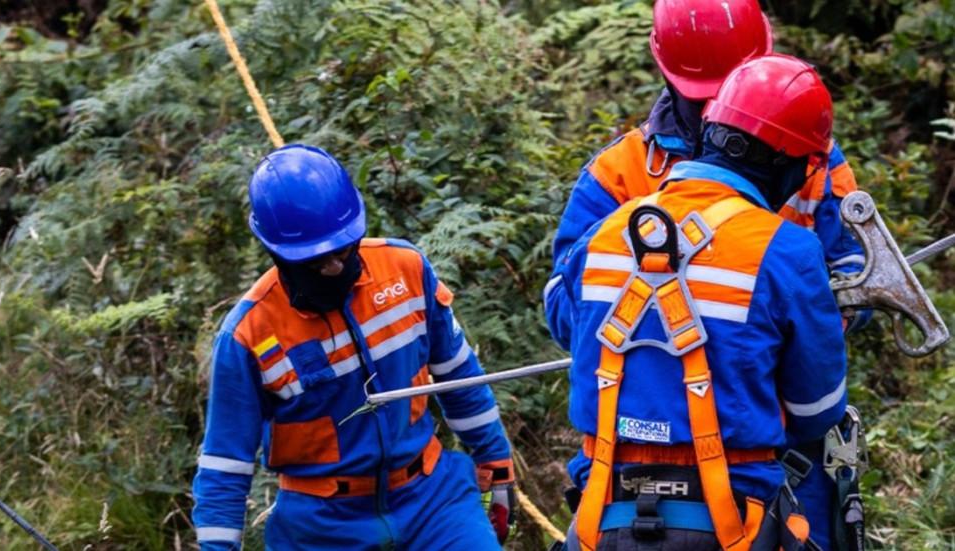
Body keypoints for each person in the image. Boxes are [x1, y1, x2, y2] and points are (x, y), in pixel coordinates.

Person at [548, 2, 865, 548]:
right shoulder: (619, 171)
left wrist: (810, 312)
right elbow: (562, 307)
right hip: (710, 454)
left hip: (763, 452)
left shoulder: (812, 156)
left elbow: (852, 263)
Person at [192, 144, 516, 550]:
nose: (334, 268)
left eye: (343, 253)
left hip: (433, 500)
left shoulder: (406, 270)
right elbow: (225, 464)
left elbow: (458, 375)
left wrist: (495, 460)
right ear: (275, 250)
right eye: (316, 261)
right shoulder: (247, 335)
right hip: (322, 526)